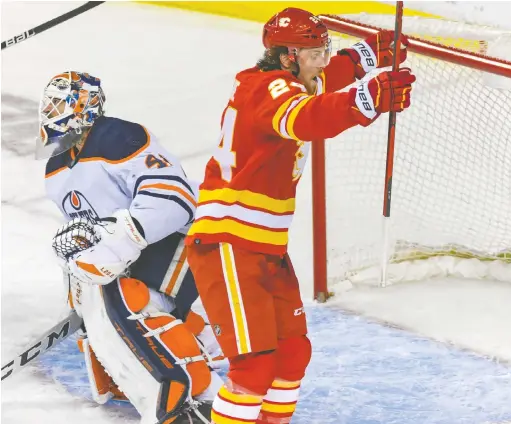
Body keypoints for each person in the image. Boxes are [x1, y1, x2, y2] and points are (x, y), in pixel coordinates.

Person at [184, 7, 416, 424]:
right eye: (315, 54)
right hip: (230, 244)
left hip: (264, 246)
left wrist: (367, 56)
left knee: (292, 355)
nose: (323, 61)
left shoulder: (292, 78)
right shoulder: (268, 88)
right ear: (288, 56)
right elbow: (307, 118)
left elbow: (330, 79)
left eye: (325, 50)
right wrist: (368, 98)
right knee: (253, 369)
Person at [40, 71, 224, 423]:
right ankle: (179, 367)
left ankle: (196, 393)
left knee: (122, 297)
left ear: (84, 107)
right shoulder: (55, 169)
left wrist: (121, 238)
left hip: (188, 246)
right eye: (48, 103)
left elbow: (175, 198)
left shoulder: (119, 137)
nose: (50, 111)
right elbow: (87, 239)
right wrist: (80, 297)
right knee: (103, 299)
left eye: (59, 103)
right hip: (138, 262)